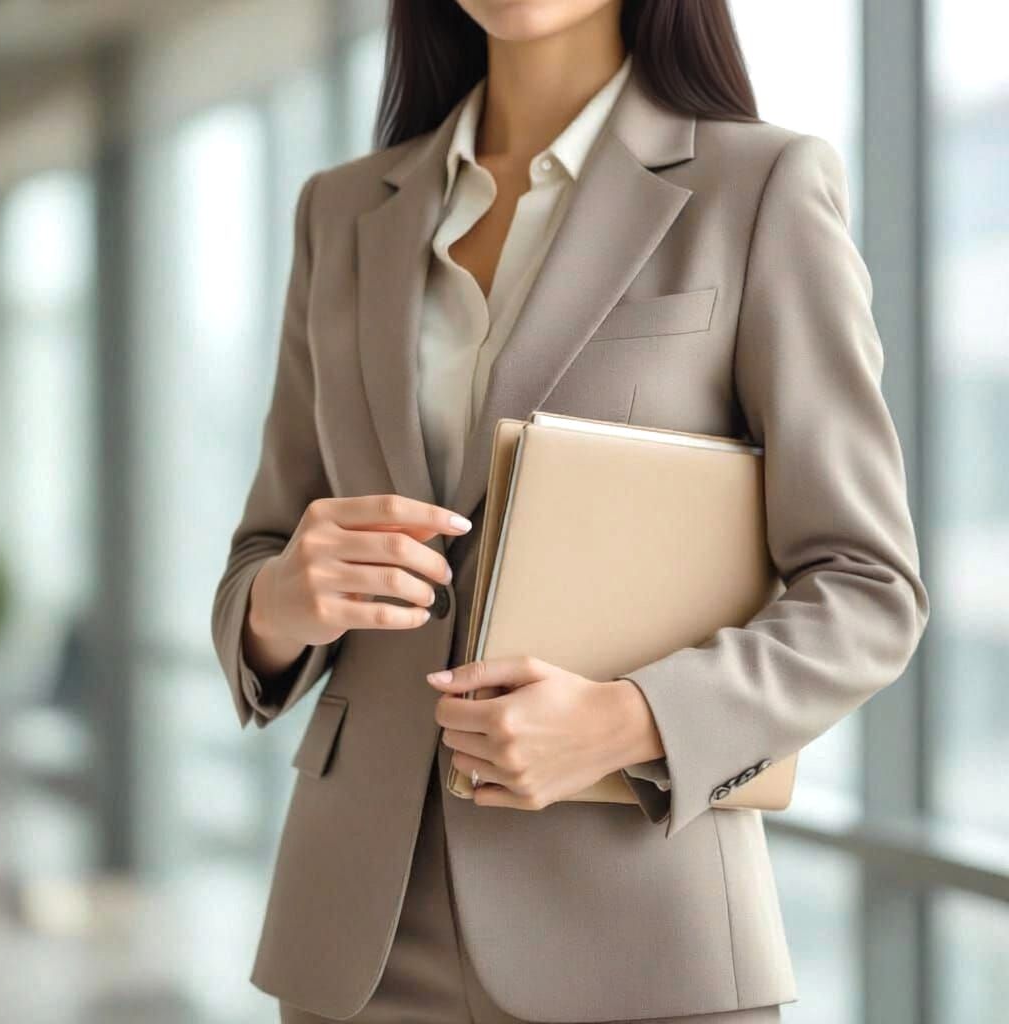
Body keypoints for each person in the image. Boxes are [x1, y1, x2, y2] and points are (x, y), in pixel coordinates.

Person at [210, 2, 930, 1022]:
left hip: (638, 926)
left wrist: (630, 721)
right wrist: (282, 601)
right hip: (356, 937)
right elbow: (265, 549)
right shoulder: (339, 213)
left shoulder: (759, 185)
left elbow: (867, 587)